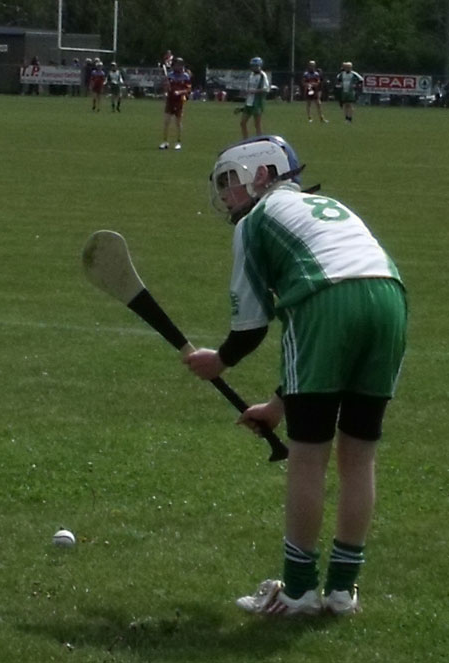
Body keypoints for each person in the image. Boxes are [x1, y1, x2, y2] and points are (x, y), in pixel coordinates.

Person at [183, 135, 407, 616]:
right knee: (359, 456)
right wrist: (278, 406)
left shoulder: (256, 221)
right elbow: (311, 345)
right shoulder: (326, 205)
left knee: (308, 458)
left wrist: (219, 361)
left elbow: (252, 325)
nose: (225, 194)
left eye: (230, 181)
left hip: (326, 301)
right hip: (390, 299)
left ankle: (300, 590)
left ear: (261, 174)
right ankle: (343, 591)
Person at [158, 57, 192, 150]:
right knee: (166, 121)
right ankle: (165, 142)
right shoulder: (170, 75)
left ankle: (178, 142)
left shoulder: (185, 76)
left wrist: (180, 92)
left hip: (179, 101)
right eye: (176, 64)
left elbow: (188, 89)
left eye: (179, 65)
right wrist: (166, 90)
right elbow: (166, 86)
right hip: (170, 100)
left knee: (178, 122)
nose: (178, 66)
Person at [239, 57, 270, 139]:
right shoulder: (251, 75)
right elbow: (248, 88)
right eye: (252, 66)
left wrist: (254, 91)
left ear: (259, 66)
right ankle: (245, 140)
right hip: (249, 102)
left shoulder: (263, 75)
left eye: (255, 66)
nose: (253, 68)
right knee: (242, 123)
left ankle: (260, 141)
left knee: (257, 125)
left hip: (257, 103)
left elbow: (266, 89)